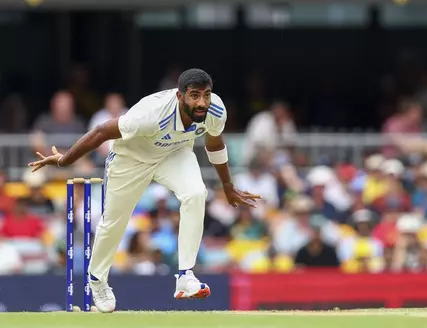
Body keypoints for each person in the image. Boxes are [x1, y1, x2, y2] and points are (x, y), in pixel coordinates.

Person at [28, 68, 261, 313]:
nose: (201, 102)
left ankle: (185, 275)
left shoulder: (215, 110)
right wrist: (64, 161)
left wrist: (227, 186)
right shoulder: (150, 113)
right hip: (131, 158)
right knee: (114, 221)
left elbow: (214, 142)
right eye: (194, 96)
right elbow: (101, 132)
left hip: (174, 153)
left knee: (196, 193)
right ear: (180, 97)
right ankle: (97, 279)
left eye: (206, 95)